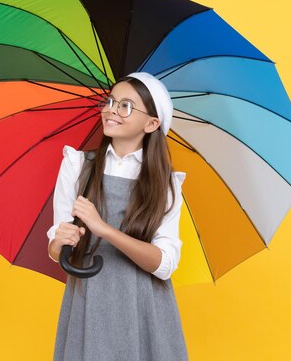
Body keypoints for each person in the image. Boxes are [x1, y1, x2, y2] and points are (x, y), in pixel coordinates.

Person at [47, 72, 189, 361]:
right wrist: (61, 241)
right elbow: (56, 250)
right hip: (89, 299)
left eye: (125, 105)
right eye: (110, 101)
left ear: (151, 123)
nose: (111, 109)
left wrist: (104, 229)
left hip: (145, 307)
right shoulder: (77, 165)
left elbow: (164, 265)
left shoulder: (167, 185)